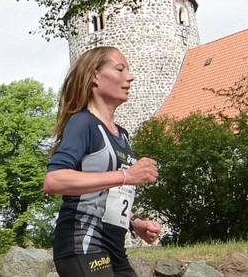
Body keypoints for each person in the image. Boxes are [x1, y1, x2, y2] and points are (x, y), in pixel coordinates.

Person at [43, 46, 161, 277]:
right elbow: (53, 180)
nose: (130, 76)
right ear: (95, 76)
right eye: (120, 69)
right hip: (83, 244)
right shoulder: (83, 123)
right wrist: (127, 176)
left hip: (114, 247)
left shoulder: (123, 135)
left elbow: (106, 198)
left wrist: (135, 222)